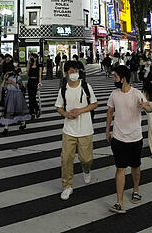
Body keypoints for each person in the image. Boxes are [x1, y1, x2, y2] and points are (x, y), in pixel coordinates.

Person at [105, 65, 151, 214]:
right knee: (120, 168)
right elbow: (110, 112)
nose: (114, 79)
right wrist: (107, 130)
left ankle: (136, 190)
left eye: (115, 76)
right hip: (118, 137)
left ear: (123, 78)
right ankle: (119, 202)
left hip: (135, 137)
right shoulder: (114, 94)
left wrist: (145, 106)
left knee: (135, 166)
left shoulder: (137, 94)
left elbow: (149, 108)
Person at [55, 60, 97, 200]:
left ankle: (86, 168)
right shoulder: (63, 89)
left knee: (86, 158)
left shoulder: (86, 86)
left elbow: (94, 104)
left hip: (85, 129)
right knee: (66, 158)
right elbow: (58, 107)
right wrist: (66, 114)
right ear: (66, 73)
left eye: (76, 70)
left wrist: (80, 111)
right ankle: (67, 186)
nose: (74, 73)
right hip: (69, 130)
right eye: (71, 71)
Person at [0, 64, 31, 135]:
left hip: (17, 95)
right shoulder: (7, 77)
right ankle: (6, 128)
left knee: (19, 110)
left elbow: (20, 87)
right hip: (9, 94)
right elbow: (4, 87)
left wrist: (12, 82)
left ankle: (23, 122)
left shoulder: (18, 77)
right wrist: (5, 81)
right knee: (8, 111)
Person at [26, 54, 43, 118]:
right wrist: (28, 61)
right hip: (30, 81)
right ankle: (32, 112)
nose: (32, 58)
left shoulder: (39, 66)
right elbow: (27, 71)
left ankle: (36, 109)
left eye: (33, 57)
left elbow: (40, 76)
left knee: (32, 96)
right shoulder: (29, 65)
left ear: (36, 58)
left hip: (35, 82)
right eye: (31, 57)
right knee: (30, 97)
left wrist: (40, 84)